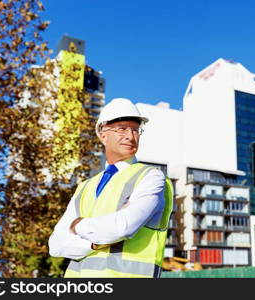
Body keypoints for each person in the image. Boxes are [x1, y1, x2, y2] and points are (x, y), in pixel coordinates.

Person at [48, 98, 173, 278]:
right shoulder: (85, 187)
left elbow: (123, 227)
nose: (130, 136)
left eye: (135, 130)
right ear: (102, 134)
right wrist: (93, 244)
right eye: (122, 129)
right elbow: (56, 245)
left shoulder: (150, 177)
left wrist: (78, 225)